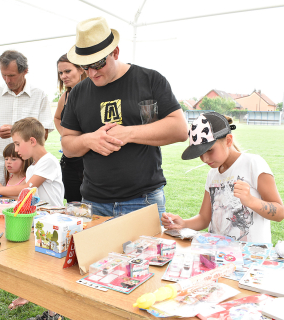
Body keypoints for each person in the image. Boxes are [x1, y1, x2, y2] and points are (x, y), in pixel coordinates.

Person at [61, 17, 188, 219]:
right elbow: (67, 145)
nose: (92, 73)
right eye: (85, 67)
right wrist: (88, 140)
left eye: (98, 64)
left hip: (142, 200)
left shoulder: (150, 80)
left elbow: (180, 129)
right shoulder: (77, 93)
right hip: (94, 202)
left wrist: (128, 133)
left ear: (116, 52)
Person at [0, 117, 64, 320]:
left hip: (53, 225)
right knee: (34, 266)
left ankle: (54, 314)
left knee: (50, 271)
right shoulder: (35, 166)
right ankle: (34, 300)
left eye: (18, 144)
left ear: (32, 141)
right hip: (38, 223)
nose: (16, 150)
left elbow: (26, 190)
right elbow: (24, 196)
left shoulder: (48, 162)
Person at [161, 112, 284, 242]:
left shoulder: (253, 164)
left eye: (209, 150)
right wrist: (183, 223)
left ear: (228, 141)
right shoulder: (212, 174)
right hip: (218, 255)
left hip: (250, 258)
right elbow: (204, 218)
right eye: (200, 153)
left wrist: (250, 201)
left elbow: (280, 213)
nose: (204, 159)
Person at [0, 50, 54, 186]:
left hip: (27, 165)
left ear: (25, 71)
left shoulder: (39, 95)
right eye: (3, 75)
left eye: (11, 75)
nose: (7, 80)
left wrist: (16, 131)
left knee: (23, 203)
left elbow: (44, 135)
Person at [0, 142, 33, 297]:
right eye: (6, 159)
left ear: (25, 160)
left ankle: (21, 290)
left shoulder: (26, 179)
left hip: (18, 222)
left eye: (13, 159)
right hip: (5, 219)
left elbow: (21, 195)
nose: (8, 163)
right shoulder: (10, 177)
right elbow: (7, 194)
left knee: (18, 256)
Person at [54, 53, 86, 202]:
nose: (63, 76)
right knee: (74, 207)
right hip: (70, 163)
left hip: (90, 162)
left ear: (81, 69)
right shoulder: (65, 96)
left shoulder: (92, 92)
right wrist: (65, 135)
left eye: (67, 71)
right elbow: (57, 117)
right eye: (60, 73)